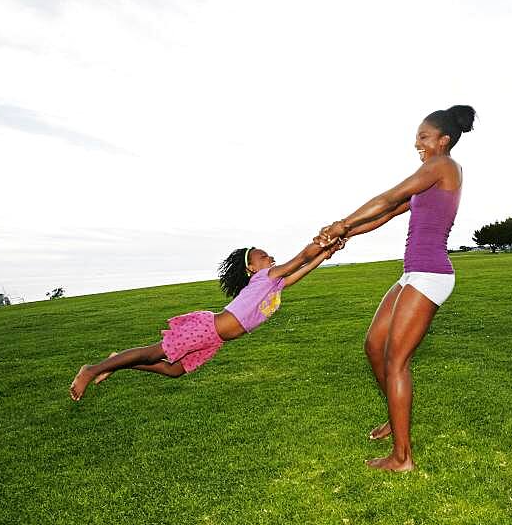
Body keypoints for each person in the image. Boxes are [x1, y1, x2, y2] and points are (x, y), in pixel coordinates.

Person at [316, 104, 476, 472]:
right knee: (374, 344)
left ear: (443, 140)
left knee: (396, 360)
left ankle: (402, 458)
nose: (416, 143)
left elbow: (387, 197)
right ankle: (396, 413)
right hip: (413, 274)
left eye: (423, 136)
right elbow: (388, 212)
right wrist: (343, 237)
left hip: (431, 274)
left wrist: (340, 223)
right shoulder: (430, 177)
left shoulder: (442, 167)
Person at [69, 238, 344, 401]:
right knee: (154, 353)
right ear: (251, 268)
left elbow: (303, 269)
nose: (269, 256)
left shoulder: (275, 282)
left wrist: (327, 254)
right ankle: (91, 369)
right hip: (207, 328)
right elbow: (301, 259)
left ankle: (117, 363)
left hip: (215, 339)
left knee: (174, 371)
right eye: (263, 256)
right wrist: (324, 241)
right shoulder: (266, 276)